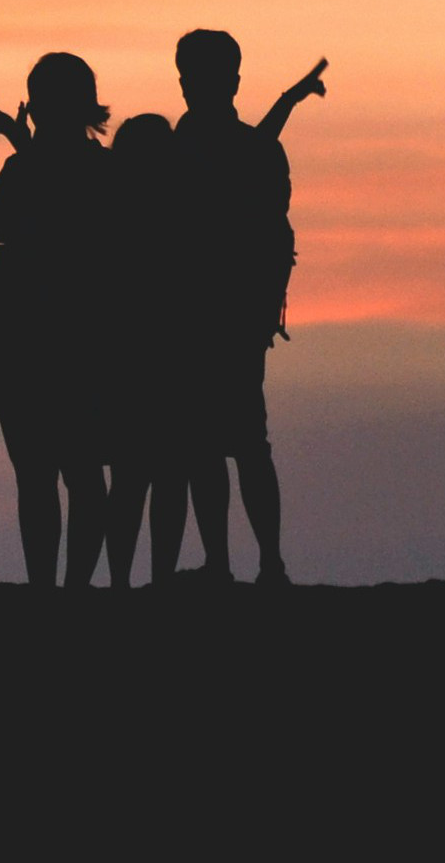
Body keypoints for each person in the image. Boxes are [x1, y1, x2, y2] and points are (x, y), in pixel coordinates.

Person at [0, 53, 119, 590]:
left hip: (26, 335)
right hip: (85, 335)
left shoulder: (30, 166)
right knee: (81, 471)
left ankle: (46, 587)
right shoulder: (105, 169)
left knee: (37, 473)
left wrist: (20, 145)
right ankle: (72, 586)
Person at [163, 30, 311, 584]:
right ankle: (250, 563)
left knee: (221, 444)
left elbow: (271, 234)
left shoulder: (180, 150)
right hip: (227, 319)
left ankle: (241, 563)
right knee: (237, 443)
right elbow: (275, 234)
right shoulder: (256, 150)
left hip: (203, 319)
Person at [96, 112, 190, 586]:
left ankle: (120, 581)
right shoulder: (184, 209)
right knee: (169, 476)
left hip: (123, 357)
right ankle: (160, 578)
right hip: (171, 355)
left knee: (130, 480)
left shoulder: (107, 208)